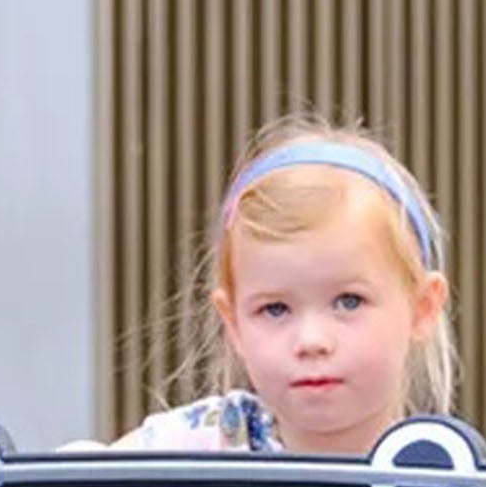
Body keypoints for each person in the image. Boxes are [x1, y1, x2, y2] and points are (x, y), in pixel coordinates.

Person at [112, 116, 456, 453]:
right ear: (233, 323)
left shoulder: (442, 484)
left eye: (349, 301)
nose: (311, 341)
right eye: (275, 309)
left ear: (422, 308)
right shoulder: (186, 450)